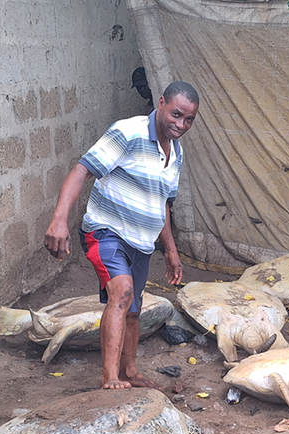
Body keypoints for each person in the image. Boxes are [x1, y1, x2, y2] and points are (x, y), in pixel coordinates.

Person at [44, 81, 200, 390]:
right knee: (122, 291)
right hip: (106, 232)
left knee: (134, 308)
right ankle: (110, 377)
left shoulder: (176, 153)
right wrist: (59, 220)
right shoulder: (128, 132)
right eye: (176, 114)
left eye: (189, 119)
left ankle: (129, 371)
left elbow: (161, 204)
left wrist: (170, 249)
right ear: (161, 103)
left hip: (141, 243)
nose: (181, 124)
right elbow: (81, 171)